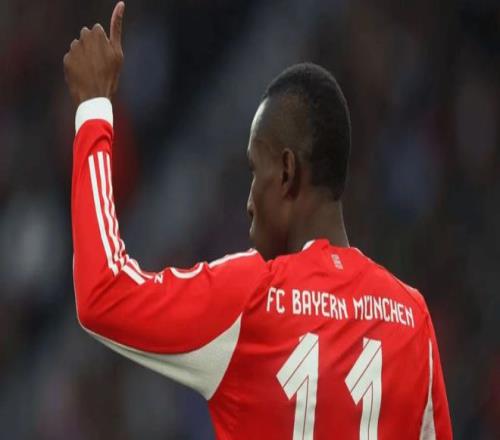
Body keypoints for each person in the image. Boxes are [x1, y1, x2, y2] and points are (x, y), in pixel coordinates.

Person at [63, 2, 453, 438]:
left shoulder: (251, 299)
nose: (249, 201)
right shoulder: (411, 319)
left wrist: (93, 109)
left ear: (286, 173)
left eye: (255, 171)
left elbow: (103, 292)